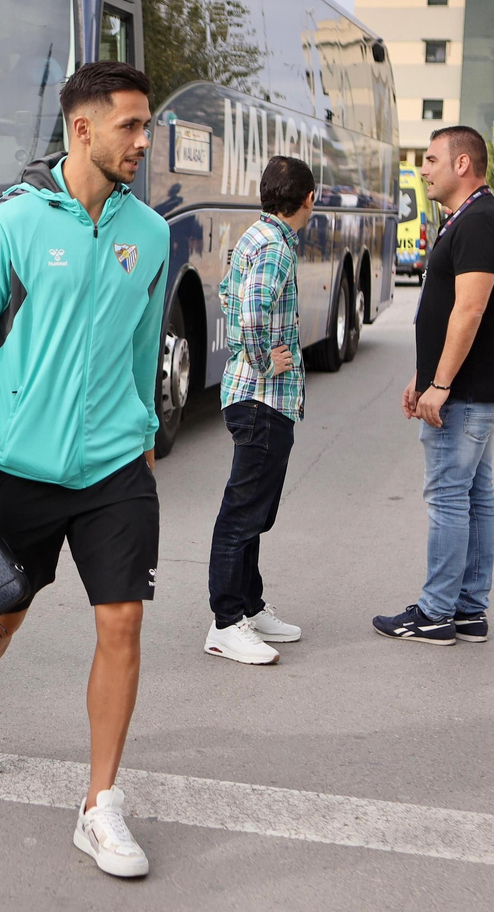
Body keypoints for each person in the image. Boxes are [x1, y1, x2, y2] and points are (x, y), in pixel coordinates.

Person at [0, 60, 168, 878]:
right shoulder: (14, 226)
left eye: (147, 125)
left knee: (124, 623)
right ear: (83, 130)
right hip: (19, 470)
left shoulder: (152, 233)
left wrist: (143, 435)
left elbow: (144, 348)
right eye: (131, 126)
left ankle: (100, 803)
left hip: (113, 470)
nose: (145, 140)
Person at [375, 125, 494, 646]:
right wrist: (423, 373)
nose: (424, 170)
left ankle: (436, 612)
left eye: (432, 160)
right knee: (475, 496)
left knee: (450, 497)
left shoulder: (479, 222)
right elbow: (445, 311)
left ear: (462, 165)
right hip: (469, 385)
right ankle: (467, 609)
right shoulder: (470, 218)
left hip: (466, 390)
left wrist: (440, 384)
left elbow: (471, 308)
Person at [203, 156, 313, 665]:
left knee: (255, 511)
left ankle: (249, 605)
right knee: (243, 514)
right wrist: (267, 360)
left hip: (247, 396)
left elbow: (228, 293)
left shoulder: (255, 236)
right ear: (307, 200)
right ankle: (226, 622)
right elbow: (249, 308)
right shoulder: (276, 248)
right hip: (262, 398)